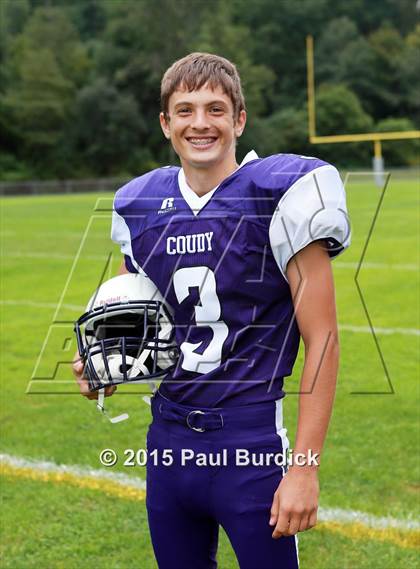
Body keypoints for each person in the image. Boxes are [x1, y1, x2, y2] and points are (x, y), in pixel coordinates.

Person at [73, 52, 350, 569]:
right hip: (168, 443)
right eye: (185, 110)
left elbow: (324, 340)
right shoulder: (139, 206)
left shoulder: (280, 194)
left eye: (216, 109)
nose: (200, 123)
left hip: (251, 443)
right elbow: (136, 316)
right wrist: (104, 367)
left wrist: (305, 468)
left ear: (239, 119)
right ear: (166, 123)